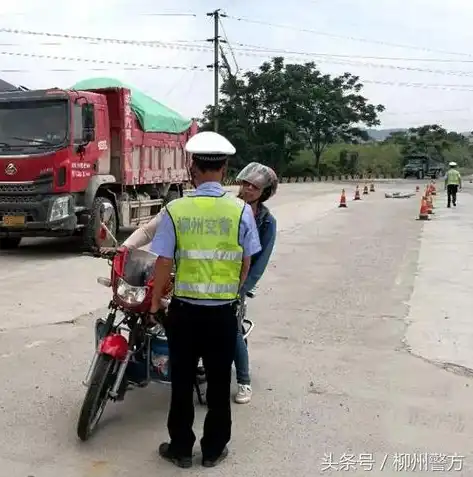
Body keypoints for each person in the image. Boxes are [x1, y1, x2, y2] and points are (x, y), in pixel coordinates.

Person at [148, 131, 261, 469]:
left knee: (181, 383)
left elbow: (164, 262)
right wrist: (232, 292)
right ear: (224, 169)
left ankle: (181, 449)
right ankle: (213, 451)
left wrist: (155, 303)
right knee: (217, 382)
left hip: (184, 313)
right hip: (223, 314)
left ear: (192, 167)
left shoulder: (175, 210)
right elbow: (246, 260)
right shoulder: (241, 210)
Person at [233, 162, 278, 405]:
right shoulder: (226, 206)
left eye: (254, 187)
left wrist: (242, 287)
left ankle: (244, 381)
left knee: (232, 330)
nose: (248, 189)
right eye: (246, 184)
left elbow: (259, 262)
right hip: (209, 276)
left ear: (264, 192)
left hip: (235, 284)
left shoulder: (267, 222)